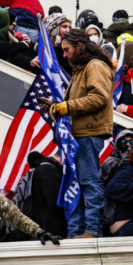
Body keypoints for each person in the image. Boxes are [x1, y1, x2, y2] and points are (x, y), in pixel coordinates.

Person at [47, 29, 113, 238]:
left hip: (88, 134)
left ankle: (92, 230)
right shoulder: (81, 68)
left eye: (66, 50)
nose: (64, 54)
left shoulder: (95, 66)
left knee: (88, 181)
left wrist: (67, 107)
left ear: (79, 47)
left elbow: (99, 98)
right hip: (78, 135)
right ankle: (75, 231)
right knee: (74, 183)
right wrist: (56, 107)